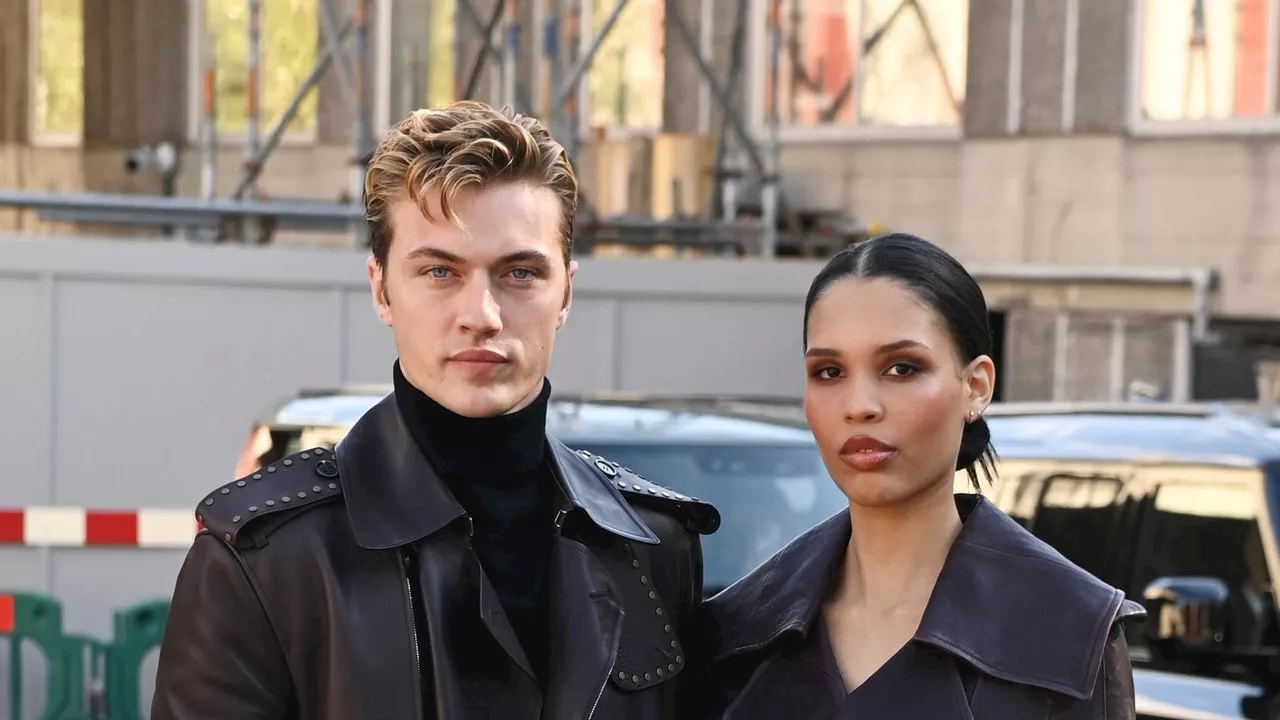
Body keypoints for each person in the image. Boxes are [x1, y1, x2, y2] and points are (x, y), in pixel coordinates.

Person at [150, 101, 719, 720]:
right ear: (381, 289)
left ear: (566, 294)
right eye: (441, 271)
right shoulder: (264, 561)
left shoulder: (654, 546)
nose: (483, 314)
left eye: (521, 272)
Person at [684, 233, 1146, 719]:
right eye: (829, 372)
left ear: (976, 386)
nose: (860, 406)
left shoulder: (1070, 629)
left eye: (901, 368)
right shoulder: (735, 632)